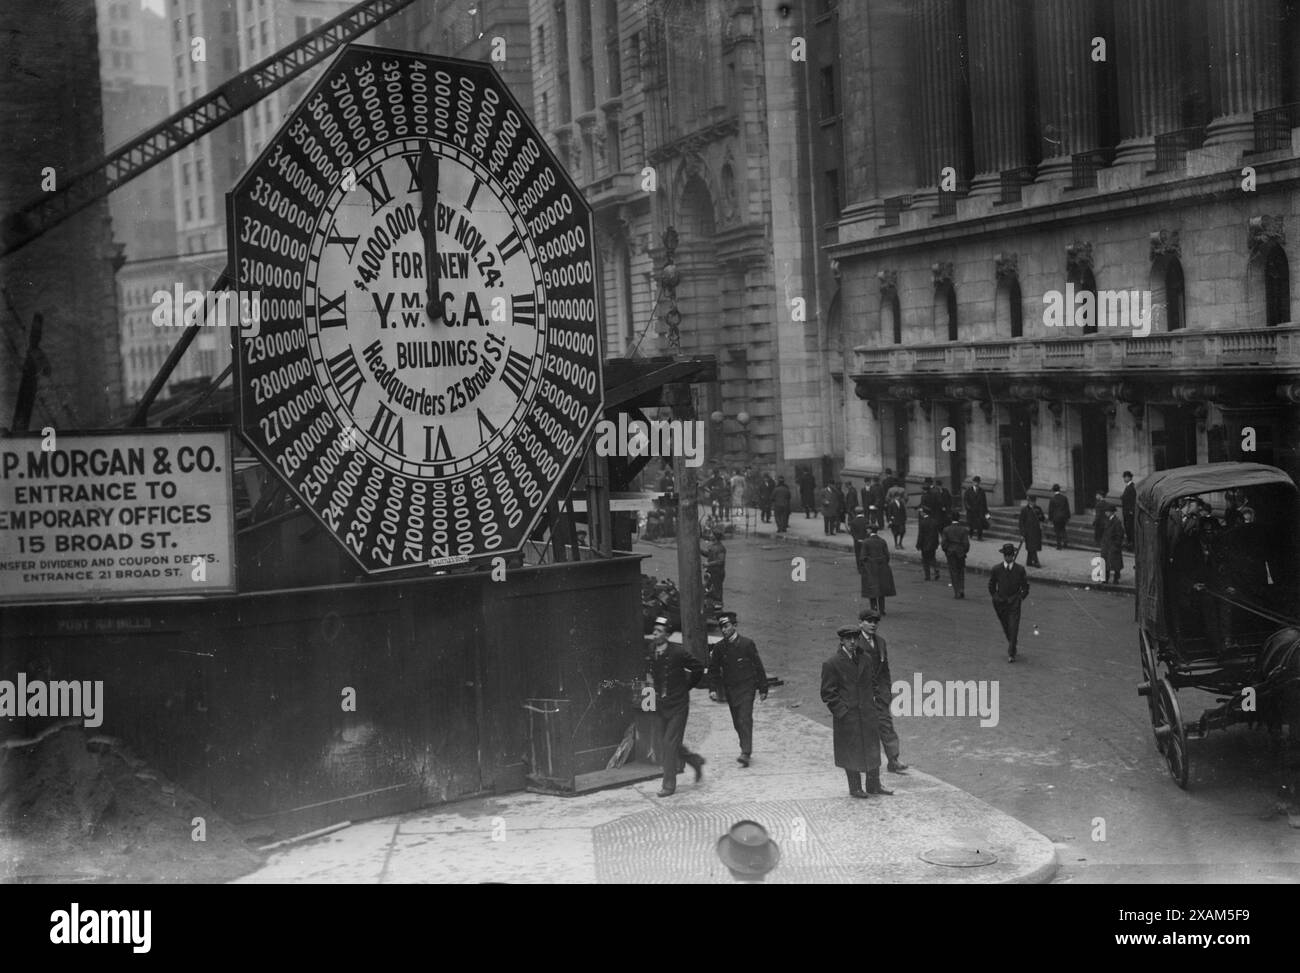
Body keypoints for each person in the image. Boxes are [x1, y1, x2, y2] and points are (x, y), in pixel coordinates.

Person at [821, 617, 893, 799]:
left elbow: (874, 682)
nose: (853, 642)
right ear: (842, 641)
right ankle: (855, 787)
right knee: (851, 752)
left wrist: (876, 703)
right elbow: (828, 693)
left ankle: (874, 785)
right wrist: (842, 712)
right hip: (848, 717)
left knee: (872, 749)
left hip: (868, 713)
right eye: (848, 639)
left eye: (855, 638)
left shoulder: (866, 659)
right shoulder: (832, 663)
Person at [646, 616, 705, 796]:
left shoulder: (678, 652)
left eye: (659, 632)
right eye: (654, 630)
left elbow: (698, 667)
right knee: (668, 743)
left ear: (668, 635)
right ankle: (694, 760)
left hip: (679, 705)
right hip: (662, 704)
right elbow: (650, 673)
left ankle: (669, 785)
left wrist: (687, 686)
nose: (655, 634)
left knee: (669, 744)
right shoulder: (651, 649)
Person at [708, 611, 768, 767]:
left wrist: (763, 688)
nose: (724, 630)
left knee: (745, 718)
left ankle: (746, 753)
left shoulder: (747, 644)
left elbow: (758, 666)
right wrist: (712, 688)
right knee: (737, 722)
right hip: (731, 690)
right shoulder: (719, 648)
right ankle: (744, 747)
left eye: (727, 626)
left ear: (734, 626)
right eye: (722, 627)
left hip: (747, 688)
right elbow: (713, 669)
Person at [858, 609, 907, 774]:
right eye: (869, 621)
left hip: (880, 693)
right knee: (867, 730)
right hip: (863, 695)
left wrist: (887, 690)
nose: (873, 624)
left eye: (875, 621)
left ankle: (893, 760)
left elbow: (885, 669)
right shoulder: (854, 642)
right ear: (861, 623)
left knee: (886, 725)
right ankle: (868, 764)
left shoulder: (881, 642)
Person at [989, 543, 1030, 662]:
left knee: (1014, 627)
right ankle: (1013, 642)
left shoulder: (1020, 570)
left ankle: (1011, 653)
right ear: (1003, 556)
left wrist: (1020, 598)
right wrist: (996, 597)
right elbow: (991, 586)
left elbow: (1025, 587)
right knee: (1006, 626)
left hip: (1014, 603)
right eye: (1006, 555)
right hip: (1000, 604)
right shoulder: (996, 569)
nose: (1008, 558)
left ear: (1013, 555)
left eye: (1010, 555)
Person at [858, 523, 896, 615]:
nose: (867, 531)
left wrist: (864, 567)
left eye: (868, 529)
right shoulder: (882, 541)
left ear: (870, 530)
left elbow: (863, 557)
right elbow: (887, 556)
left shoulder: (866, 542)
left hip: (871, 568)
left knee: (872, 590)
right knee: (881, 590)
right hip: (882, 568)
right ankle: (882, 610)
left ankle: (874, 609)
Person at [940, 513, 972, 598]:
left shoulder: (946, 529)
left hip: (951, 553)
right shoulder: (963, 530)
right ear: (959, 519)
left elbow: (943, 543)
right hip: (960, 553)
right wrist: (964, 551)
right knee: (961, 571)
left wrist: (947, 551)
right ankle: (961, 589)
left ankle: (957, 591)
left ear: (951, 519)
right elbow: (966, 544)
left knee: (953, 572)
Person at [1100, 503, 1125, 584]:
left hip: (1113, 545)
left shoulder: (1116, 521)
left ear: (1111, 512)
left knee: (1115, 563)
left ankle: (1116, 578)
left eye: (1107, 511)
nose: (1105, 513)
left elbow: (1119, 534)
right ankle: (1105, 579)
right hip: (1106, 545)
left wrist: (1116, 545)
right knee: (1105, 562)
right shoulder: (1107, 520)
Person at [1019, 495, 1045, 568]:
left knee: (1033, 546)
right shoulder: (1024, 510)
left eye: (1034, 501)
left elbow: (1042, 518)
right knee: (1032, 546)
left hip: (1036, 531)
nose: (1033, 503)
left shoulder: (1038, 508)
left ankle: (1029, 561)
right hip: (1028, 531)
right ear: (1028, 501)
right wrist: (1022, 533)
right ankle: (1036, 561)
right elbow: (1021, 522)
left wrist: (1040, 516)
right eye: (1031, 501)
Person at [702, 531, 727, 608]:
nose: (710, 535)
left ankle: (718, 606)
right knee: (708, 589)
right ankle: (710, 605)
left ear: (715, 537)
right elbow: (708, 554)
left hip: (717, 572)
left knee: (717, 590)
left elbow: (720, 561)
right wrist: (698, 550)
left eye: (711, 534)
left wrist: (708, 564)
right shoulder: (713, 546)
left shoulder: (720, 548)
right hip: (711, 572)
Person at [916, 506, 940, 580]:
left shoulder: (922, 522)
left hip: (925, 544)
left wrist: (918, 544)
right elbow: (936, 534)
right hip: (933, 544)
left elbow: (921, 535)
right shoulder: (934, 521)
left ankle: (927, 576)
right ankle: (936, 569)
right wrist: (936, 543)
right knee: (932, 558)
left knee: (925, 560)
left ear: (924, 513)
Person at [963, 476, 988, 540]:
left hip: (979, 511)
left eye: (978, 482)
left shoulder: (981, 491)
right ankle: (971, 534)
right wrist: (968, 507)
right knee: (971, 524)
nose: (976, 484)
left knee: (980, 524)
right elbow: (965, 500)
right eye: (975, 482)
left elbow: (984, 502)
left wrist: (986, 513)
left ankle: (980, 536)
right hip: (971, 511)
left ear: (979, 483)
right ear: (973, 482)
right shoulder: (968, 491)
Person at [1047, 484, 1071, 550]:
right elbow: (1067, 508)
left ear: (1053, 490)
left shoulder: (1052, 499)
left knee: (1057, 531)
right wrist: (1068, 517)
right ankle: (1065, 542)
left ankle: (1059, 545)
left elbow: (1051, 510)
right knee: (1063, 529)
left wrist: (1050, 519)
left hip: (1056, 517)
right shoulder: (1064, 498)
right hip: (1063, 517)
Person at [1121, 471, 1137, 551]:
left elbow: (1132, 500)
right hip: (1126, 511)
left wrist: (1131, 510)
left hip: (1129, 512)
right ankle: (1130, 544)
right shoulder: (1128, 486)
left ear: (1130, 477)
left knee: (1130, 528)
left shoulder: (1131, 487)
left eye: (1126, 477)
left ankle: (1132, 545)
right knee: (1128, 528)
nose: (1125, 478)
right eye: (1124, 477)